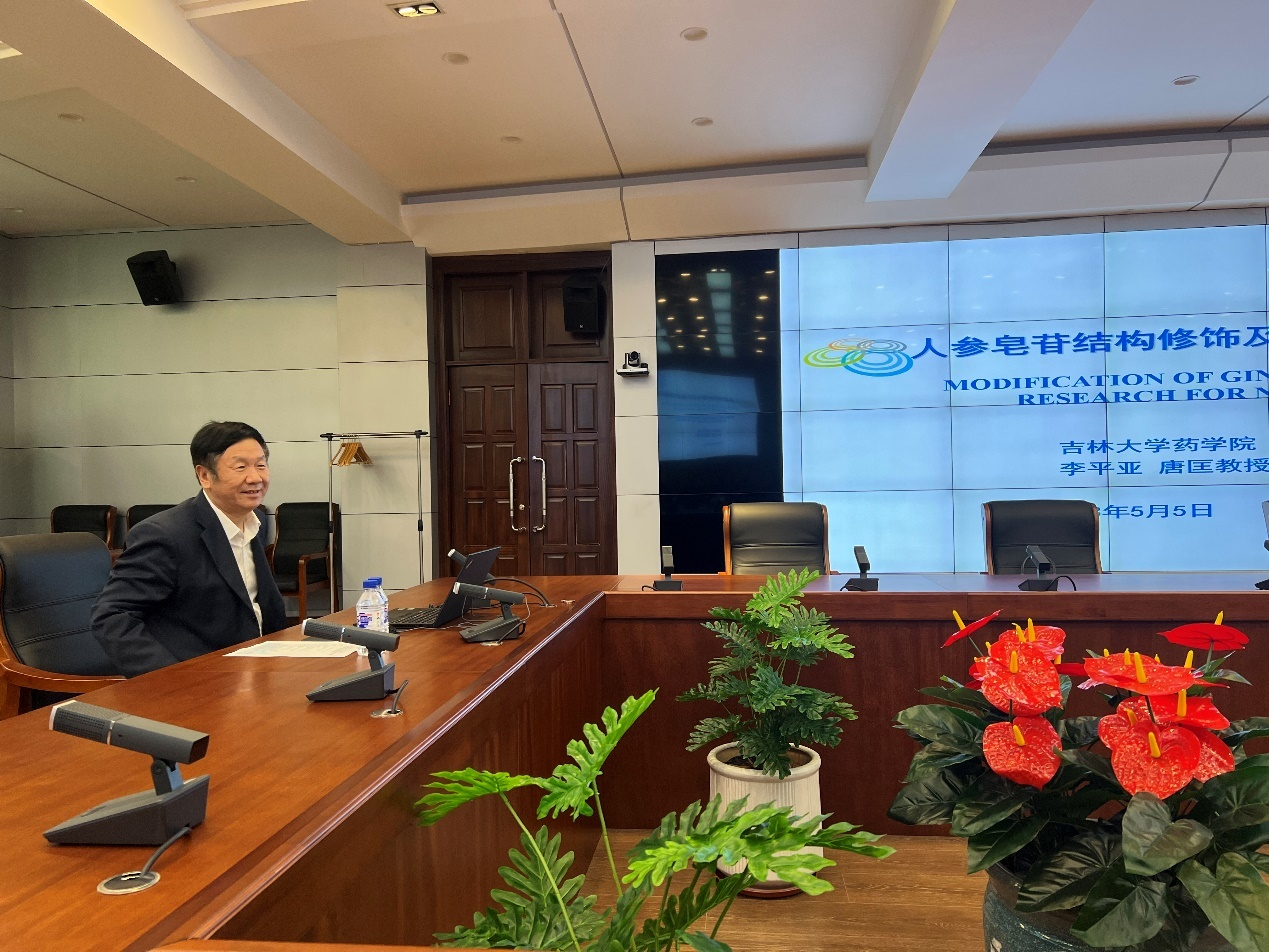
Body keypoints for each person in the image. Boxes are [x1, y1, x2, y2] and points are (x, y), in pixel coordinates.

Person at [93, 421, 288, 677]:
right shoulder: (165, 535)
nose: (255, 478)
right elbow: (112, 616)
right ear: (205, 475)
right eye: (241, 467)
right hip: (200, 679)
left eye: (261, 465)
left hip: (256, 669)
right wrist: (172, 678)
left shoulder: (255, 523)